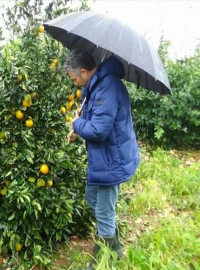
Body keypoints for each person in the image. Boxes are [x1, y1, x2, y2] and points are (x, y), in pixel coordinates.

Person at [64, 49, 140, 268]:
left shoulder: (108, 87)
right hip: (104, 159)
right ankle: (116, 250)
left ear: (85, 72)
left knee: (104, 211)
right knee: (93, 199)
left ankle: (100, 262)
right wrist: (79, 121)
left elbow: (98, 130)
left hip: (111, 161)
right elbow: (94, 118)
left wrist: (76, 124)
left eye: (75, 78)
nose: (75, 82)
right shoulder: (95, 86)